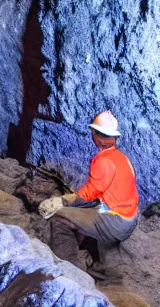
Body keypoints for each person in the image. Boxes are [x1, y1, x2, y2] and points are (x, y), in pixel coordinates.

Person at [39, 110, 139, 275]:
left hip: (116, 223)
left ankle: (65, 270)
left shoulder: (102, 161)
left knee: (59, 218)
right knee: (88, 212)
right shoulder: (122, 158)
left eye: (93, 132)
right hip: (129, 217)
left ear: (99, 136)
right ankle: (101, 262)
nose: (91, 134)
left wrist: (61, 201)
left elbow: (87, 194)